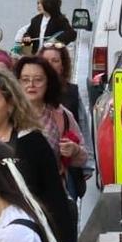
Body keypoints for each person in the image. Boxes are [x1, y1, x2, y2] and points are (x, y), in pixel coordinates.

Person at [0, 68, 77, 242]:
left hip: (28, 239)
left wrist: (62, 240)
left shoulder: (31, 141)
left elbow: (53, 192)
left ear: (10, 104)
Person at [17, 54, 87, 193]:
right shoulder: (8, 114)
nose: (31, 85)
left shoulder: (62, 115)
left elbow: (83, 156)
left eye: (38, 80)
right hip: (17, 191)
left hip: (53, 190)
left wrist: (74, 150)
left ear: (48, 82)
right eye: (25, 80)